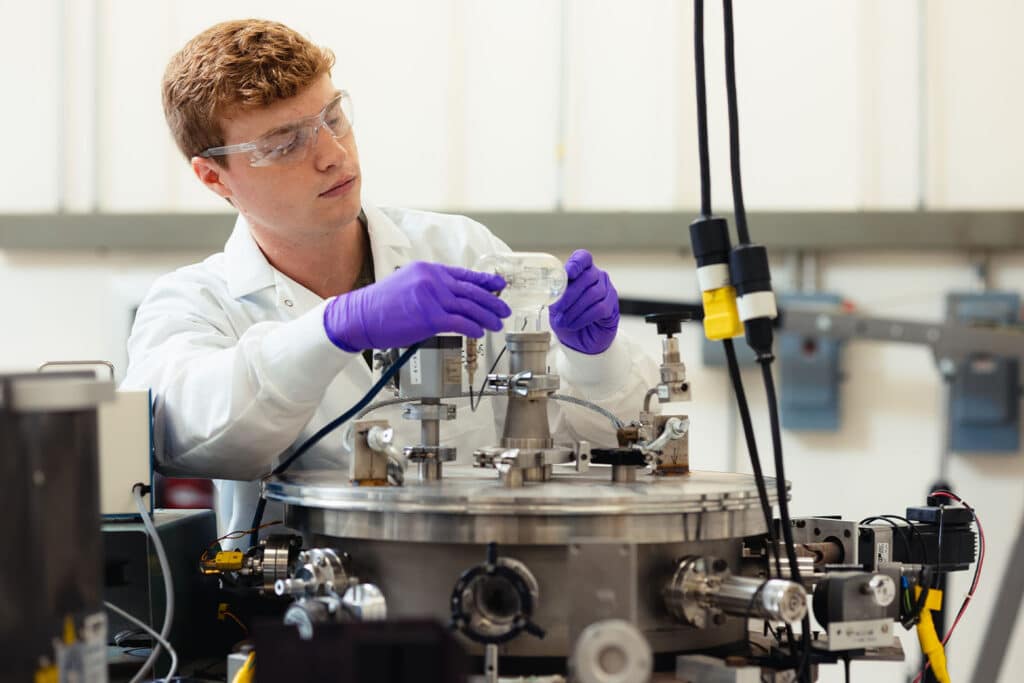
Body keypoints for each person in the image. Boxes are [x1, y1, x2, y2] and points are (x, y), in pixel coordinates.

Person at [123, 19, 657, 543]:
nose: (332, 155)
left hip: (488, 587)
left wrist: (594, 360)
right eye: (284, 143)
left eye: (333, 117)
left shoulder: (462, 250)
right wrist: (335, 328)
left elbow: (617, 440)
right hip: (294, 613)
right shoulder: (194, 302)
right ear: (214, 177)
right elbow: (184, 434)